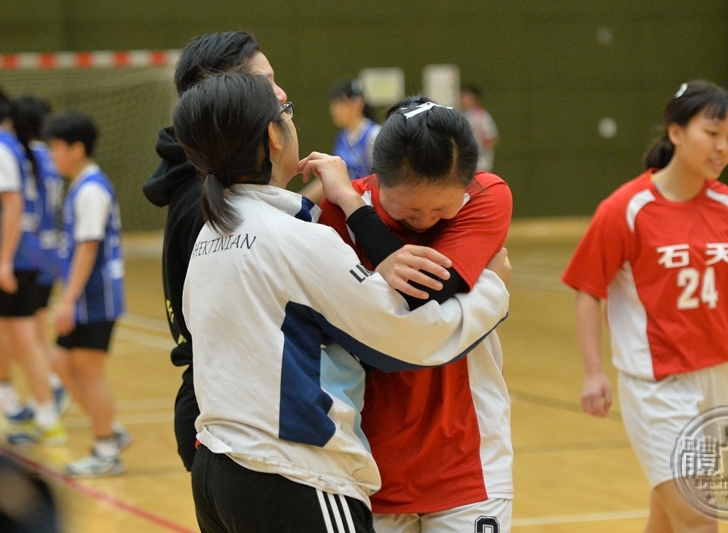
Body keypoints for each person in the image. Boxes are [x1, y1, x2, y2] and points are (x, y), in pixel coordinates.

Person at [173, 72, 510, 533]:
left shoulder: (213, 233)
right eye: (287, 113)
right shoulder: (299, 236)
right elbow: (402, 337)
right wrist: (494, 289)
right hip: (293, 472)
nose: (426, 221)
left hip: (220, 466)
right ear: (274, 137)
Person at [561, 80, 728, 533]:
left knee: (669, 517)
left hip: (713, 378)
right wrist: (593, 372)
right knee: (698, 516)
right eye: (712, 133)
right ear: (675, 132)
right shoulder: (626, 209)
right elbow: (588, 290)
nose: (723, 147)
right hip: (656, 385)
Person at [317, 97, 514, 533]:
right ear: (377, 178)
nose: (425, 221)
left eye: (443, 210)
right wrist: (349, 205)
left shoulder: (487, 195)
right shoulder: (331, 216)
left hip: (469, 461)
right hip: (367, 468)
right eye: (409, 212)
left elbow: (428, 293)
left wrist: (356, 211)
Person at [142, 31, 287, 472]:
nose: (281, 94)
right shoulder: (207, 200)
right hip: (224, 412)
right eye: (265, 83)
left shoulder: (215, 187)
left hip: (229, 404)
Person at [43, 112, 130, 477]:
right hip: (85, 299)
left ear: (76, 149)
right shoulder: (80, 185)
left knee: (89, 373)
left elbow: (88, 247)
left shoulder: (91, 189)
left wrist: (67, 299)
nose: (52, 157)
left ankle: (106, 449)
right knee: (61, 364)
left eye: (56, 149)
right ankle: (107, 426)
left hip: (96, 299)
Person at [0, 88, 66, 446]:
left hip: (24, 254)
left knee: (27, 337)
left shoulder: (9, 150)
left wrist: (5, 260)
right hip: (39, 251)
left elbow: (14, 207)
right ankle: (40, 401)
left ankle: (46, 404)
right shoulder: (33, 154)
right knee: (26, 335)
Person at [13, 95, 71, 417]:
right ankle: (47, 390)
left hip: (31, 251)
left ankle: (50, 389)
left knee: (27, 332)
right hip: (50, 251)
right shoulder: (50, 158)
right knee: (33, 329)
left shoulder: (25, 155)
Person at [300, 78, 381, 204]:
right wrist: (300, 200)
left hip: (370, 206)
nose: (334, 109)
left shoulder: (374, 135)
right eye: (333, 104)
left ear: (357, 104)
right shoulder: (343, 136)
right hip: (350, 203)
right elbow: (334, 177)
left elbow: (385, 180)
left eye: (340, 103)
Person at [460, 84, 498, 172]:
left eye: (466, 97)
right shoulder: (464, 115)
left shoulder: (481, 116)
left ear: (474, 99)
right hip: (467, 163)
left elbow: (492, 138)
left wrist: (481, 153)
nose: (463, 100)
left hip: (480, 164)